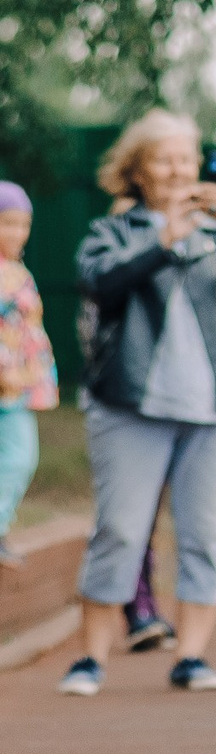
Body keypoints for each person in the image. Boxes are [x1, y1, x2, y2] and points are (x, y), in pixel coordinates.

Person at [57, 109, 216, 696]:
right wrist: (163, 240)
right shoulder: (114, 232)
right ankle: (90, 659)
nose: (178, 167)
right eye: (164, 157)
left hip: (215, 409)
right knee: (121, 532)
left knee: (207, 534)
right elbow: (96, 281)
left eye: (186, 157)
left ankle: (190, 655)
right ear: (137, 170)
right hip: (130, 405)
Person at [0, 181, 58, 569]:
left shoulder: (18, 270)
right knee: (18, 456)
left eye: (24, 224)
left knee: (20, 456)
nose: (17, 233)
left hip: (17, 389)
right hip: (6, 381)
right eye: (7, 223)